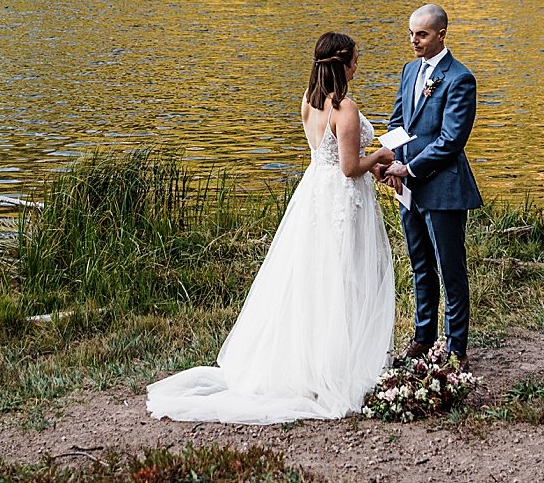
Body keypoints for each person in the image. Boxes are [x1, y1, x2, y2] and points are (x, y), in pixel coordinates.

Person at [146, 31, 397, 423]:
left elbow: (327, 156)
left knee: (315, 279)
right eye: (356, 59)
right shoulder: (344, 108)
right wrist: (380, 155)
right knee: (345, 277)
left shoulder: (309, 102)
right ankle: (337, 369)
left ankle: (314, 363)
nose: (357, 65)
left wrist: (367, 161)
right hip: (342, 201)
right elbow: (349, 168)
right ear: (345, 64)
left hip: (315, 193)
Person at [382, 3, 482, 365]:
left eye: (421, 34)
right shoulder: (409, 71)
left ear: (441, 34)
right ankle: (423, 338)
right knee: (419, 264)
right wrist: (389, 162)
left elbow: (451, 140)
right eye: (411, 33)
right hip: (407, 187)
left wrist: (409, 169)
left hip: (443, 188)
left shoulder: (460, 78)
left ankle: (456, 350)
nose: (414, 41)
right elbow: (397, 122)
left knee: (450, 270)